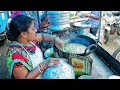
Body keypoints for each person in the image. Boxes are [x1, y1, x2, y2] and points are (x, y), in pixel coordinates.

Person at [6, 15, 64, 79]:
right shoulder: (16, 56)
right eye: (33, 28)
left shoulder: (28, 40)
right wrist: (44, 65)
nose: (36, 30)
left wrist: (55, 38)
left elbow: (42, 36)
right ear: (24, 34)